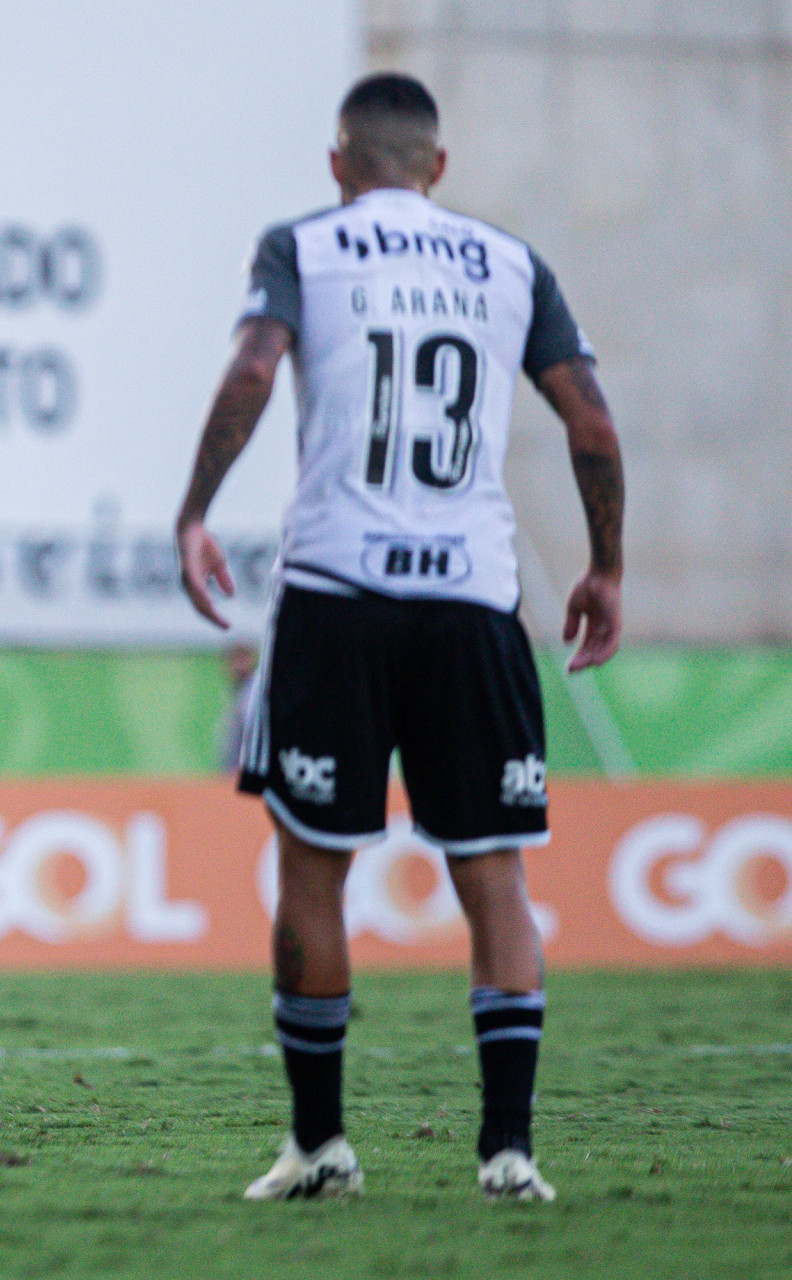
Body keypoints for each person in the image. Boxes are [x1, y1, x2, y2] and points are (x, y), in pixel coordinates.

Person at [175, 73, 623, 1202]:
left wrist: (194, 511)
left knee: (311, 868)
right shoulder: (511, 264)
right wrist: (606, 566)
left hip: (339, 591)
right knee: (493, 869)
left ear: (340, 164)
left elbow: (252, 368)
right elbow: (591, 420)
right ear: (439, 166)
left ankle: (320, 1145)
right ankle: (508, 1151)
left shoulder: (304, 246)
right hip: (473, 596)